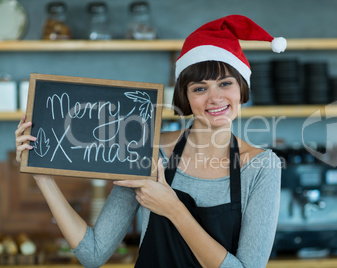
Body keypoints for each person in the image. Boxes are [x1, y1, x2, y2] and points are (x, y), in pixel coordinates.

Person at [15, 14, 285, 268]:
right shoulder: (148, 151)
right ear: (186, 98)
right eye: (200, 88)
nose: (214, 98)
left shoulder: (260, 167)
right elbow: (93, 253)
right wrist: (41, 175)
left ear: (242, 88)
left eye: (225, 84)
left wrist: (173, 209)